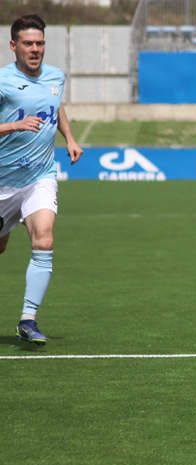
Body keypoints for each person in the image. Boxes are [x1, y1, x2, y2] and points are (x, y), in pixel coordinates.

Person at [0, 14, 82, 345]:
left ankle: (28, 319)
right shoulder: (3, 81)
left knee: (44, 240)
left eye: (40, 43)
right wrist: (14, 126)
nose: (35, 49)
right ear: (13, 46)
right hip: (3, 181)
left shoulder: (55, 77)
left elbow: (55, 106)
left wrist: (71, 138)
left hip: (40, 176)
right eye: (28, 43)